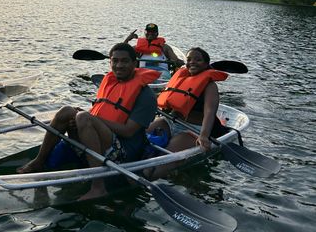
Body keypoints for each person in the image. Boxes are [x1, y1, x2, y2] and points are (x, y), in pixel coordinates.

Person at [17, 43, 159, 200]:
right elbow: (100, 113)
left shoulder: (146, 95)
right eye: (115, 61)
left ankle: (98, 187)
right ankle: (39, 161)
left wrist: (88, 119)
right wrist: (80, 120)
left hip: (124, 151)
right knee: (66, 111)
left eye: (125, 61)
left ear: (135, 63)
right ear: (109, 62)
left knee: (83, 117)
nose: (119, 65)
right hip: (101, 137)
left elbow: (128, 131)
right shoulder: (110, 83)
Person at [144, 47, 229, 179]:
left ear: (206, 64)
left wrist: (204, 136)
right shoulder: (181, 77)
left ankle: (148, 177)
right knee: (139, 138)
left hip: (191, 130)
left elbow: (210, 112)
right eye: (189, 59)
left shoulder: (210, 86)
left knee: (160, 164)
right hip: (169, 121)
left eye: (198, 60)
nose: (192, 62)